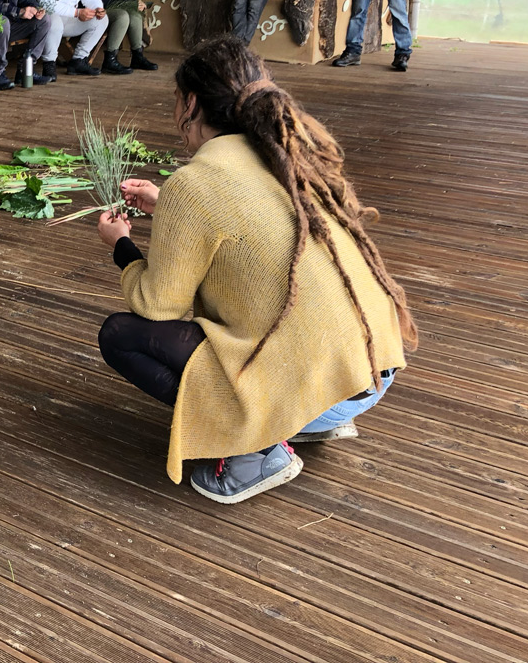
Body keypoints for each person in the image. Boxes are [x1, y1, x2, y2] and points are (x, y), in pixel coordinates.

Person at [94, 35, 412, 503]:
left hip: (321, 392)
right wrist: (167, 208)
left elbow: (158, 306)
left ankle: (257, 451)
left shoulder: (195, 182)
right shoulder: (287, 154)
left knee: (120, 335)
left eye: (176, 100)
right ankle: (299, 420)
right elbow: (246, 223)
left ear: (191, 104)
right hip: (366, 374)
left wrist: (121, 246)